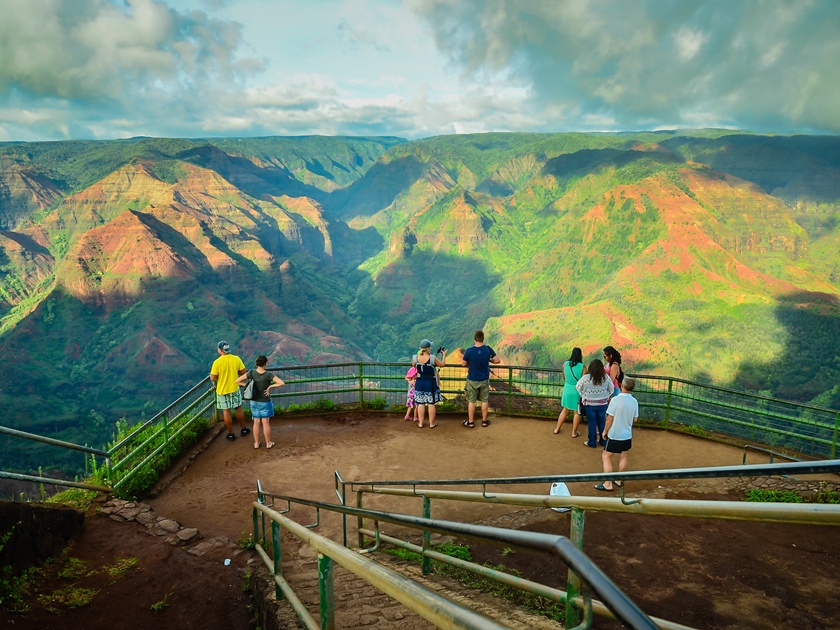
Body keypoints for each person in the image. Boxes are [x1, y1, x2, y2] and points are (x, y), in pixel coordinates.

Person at [595, 378, 639, 492]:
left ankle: (608, 483)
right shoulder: (634, 401)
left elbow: (610, 418)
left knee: (606, 456)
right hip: (627, 434)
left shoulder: (615, 400)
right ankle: (619, 480)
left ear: (622, 386)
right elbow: (635, 419)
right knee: (623, 456)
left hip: (615, 434)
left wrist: (604, 431)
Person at [236, 355, 285, 449]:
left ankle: (256, 443)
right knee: (265, 422)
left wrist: (247, 386)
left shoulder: (251, 373)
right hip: (265, 401)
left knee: (256, 422)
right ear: (265, 364)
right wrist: (270, 387)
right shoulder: (268, 375)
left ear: (257, 363)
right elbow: (282, 383)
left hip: (254, 401)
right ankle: (268, 443)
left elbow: (237, 381)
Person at [210, 340, 250, 441]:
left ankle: (231, 434)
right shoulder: (236, 359)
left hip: (222, 390)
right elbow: (243, 372)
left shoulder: (217, 362)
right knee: (238, 408)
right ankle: (243, 429)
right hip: (235, 388)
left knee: (226, 412)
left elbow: (213, 378)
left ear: (220, 350)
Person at [460, 330, 501, 428]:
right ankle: (484, 421)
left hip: (472, 379)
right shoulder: (487, 349)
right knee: (484, 400)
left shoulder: (469, 350)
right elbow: (497, 360)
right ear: (483, 338)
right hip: (484, 379)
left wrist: (471, 361)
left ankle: (470, 422)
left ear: (474, 338)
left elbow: (463, 364)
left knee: (471, 401)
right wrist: (489, 359)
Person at [575, 359, 613, 448]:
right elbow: (611, 390)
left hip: (589, 405)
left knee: (592, 423)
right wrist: (606, 397)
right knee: (602, 422)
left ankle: (592, 442)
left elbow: (577, 387)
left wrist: (584, 395)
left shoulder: (586, 378)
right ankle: (603, 441)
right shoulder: (606, 377)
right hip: (603, 404)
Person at [554, 347, 584, 436]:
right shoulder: (582, 366)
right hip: (577, 391)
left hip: (567, 389)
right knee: (576, 412)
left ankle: (557, 429)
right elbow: (583, 381)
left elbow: (563, 376)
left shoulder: (565, 364)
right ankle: (574, 433)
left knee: (565, 410)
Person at [414, 345, 446, 428]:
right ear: (428, 348)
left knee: (421, 403)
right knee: (431, 403)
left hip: (420, 381)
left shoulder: (415, 358)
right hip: (430, 381)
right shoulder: (432, 358)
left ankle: (421, 423)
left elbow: (414, 366)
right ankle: (432, 423)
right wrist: (444, 355)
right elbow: (442, 364)